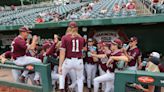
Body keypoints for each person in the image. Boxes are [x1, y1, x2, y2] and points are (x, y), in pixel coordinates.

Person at [58, 21, 85, 92]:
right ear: (77, 28)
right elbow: (83, 51)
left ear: (69, 28)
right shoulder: (81, 38)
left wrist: (60, 65)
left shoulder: (65, 37)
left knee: (61, 74)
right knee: (80, 79)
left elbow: (62, 53)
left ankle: (61, 89)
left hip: (68, 60)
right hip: (79, 60)